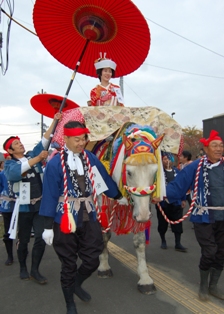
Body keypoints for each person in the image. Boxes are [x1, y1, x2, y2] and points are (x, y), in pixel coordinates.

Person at [39, 120, 128, 314]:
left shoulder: (89, 158)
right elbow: (50, 194)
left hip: (88, 215)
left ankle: (76, 284)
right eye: (77, 139)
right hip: (65, 219)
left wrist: (118, 196)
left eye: (84, 139)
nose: (82, 143)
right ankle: (69, 301)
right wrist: (47, 226)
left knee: (92, 259)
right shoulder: (55, 164)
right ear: (66, 139)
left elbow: (103, 178)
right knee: (68, 264)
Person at [153, 130, 224, 301]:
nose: (219, 149)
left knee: (221, 253)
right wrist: (161, 195)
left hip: (223, 217)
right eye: (214, 145)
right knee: (210, 251)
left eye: (221, 146)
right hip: (203, 216)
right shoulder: (196, 166)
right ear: (205, 149)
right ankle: (202, 286)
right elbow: (179, 185)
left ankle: (213, 286)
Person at [3, 112, 61, 284]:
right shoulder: (9, 164)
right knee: (24, 239)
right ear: (10, 151)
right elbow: (15, 174)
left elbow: (44, 141)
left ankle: (35, 269)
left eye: (20, 142)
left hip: (39, 206)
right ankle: (23, 267)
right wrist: (38, 158)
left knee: (41, 238)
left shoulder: (30, 156)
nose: (20, 144)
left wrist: (55, 121)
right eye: (16, 144)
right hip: (22, 208)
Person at [155, 152, 187, 252]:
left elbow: (182, 186)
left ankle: (178, 243)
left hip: (176, 202)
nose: (167, 161)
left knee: (177, 223)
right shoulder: (158, 173)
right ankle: (163, 240)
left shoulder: (177, 171)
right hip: (163, 203)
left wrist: (183, 199)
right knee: (162, 223)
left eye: (169, 159)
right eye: (165, 159)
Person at [0, 153, 15, 265]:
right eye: (6, 160)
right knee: (8, 232)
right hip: (7, 206)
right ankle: (10, 255)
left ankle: (22, 249)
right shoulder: (2, 174)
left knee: (22, 231)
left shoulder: (20, 171)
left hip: (21, 205)